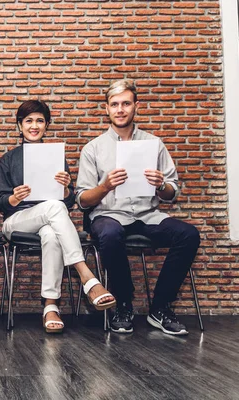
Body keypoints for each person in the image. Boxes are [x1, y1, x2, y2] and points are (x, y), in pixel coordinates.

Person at [76, 79, 200, 336]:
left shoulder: (154, 144)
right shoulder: (93, 148)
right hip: (108, 215)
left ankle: (160, 307)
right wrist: (105, 186)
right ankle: (123, 303)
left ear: (136, 106)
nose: (120, 109)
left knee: (189, 234)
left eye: (126, 104)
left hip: (148, 214)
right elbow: (83, 200)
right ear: (107, 109)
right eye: (114, 105)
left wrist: (160, 184)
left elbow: (171, 192)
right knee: (109, 234)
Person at [0, 100, 116, 334]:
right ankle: (87, 277)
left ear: (47, 125)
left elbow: (68, 202)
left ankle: (50, 307)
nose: (34, 125)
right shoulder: (8, 159)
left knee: (52, 234)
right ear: (19, 125)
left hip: (49, 220)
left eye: (39, 120)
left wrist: (65, 191)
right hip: (17, 221)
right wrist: (14, 198)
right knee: (52, 208)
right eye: (28, 121)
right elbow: (0, 201)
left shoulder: (56, 157)